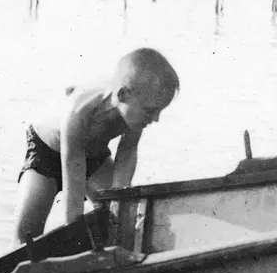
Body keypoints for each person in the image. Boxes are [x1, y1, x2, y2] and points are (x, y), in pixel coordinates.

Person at [11, 47, 179, 244]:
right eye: (151, 111)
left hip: (92, 155)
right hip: (46, 151)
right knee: (26, 236)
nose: (156, 119)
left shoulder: (134, 112)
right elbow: (73, 183)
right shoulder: (79, 112)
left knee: (128, 218)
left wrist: (119, 206)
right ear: (123, 95)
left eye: (159, 111)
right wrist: (73, 229)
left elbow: (127, 153)